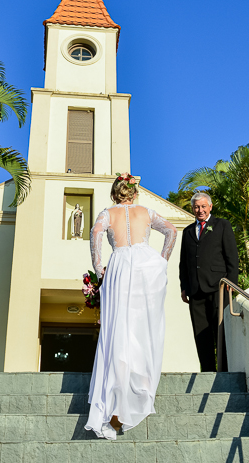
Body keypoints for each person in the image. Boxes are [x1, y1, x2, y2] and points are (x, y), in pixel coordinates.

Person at [85, 173, 177, 440]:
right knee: (143, 327)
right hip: (147, 268)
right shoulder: (146, 211)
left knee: (119, 330)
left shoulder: (106, 213)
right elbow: (171, 230)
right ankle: (140, 388)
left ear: (115, 193)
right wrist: (162, 261)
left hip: (120, 266)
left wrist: (99, 267)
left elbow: (95, 234)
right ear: (134, 193)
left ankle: (115, 403)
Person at [179, 192, 240, 372]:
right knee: (201, 334)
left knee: (220, 331)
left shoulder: (222, 225)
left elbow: (232, 257)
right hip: (195, 290)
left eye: (203, 206)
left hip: (218, 288)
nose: (200, 210)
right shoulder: (188, 231)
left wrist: (232, 282)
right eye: (197, 207)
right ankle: (207, 371)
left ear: (210, 207)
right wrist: (184, 287)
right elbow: (184, 262)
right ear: (192, 209)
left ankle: (224, 371)